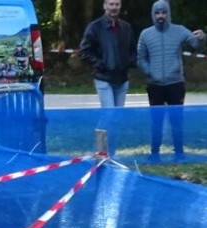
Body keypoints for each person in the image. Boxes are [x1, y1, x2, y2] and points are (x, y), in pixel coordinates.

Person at [137, 0, 206, 162]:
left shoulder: (179, 31)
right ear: (153, 15)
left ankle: (179, 154)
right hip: (155, 85)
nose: (160, 16)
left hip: (176, 83)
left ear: (168, 13)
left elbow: (196, 44)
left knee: (177, 120)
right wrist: (150, 72)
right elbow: (140, 59)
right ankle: (154, 154)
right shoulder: (145, 34)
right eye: (157, 13)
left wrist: (203, 38)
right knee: (156, 121)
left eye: (163, 12)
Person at [79, 0, 136, 108]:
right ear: (105, 5)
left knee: (118, 115)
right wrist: (101, 64)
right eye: (111, 4)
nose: (114, 7)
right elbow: (84, 51)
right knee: (109, 113)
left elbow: (133, 49)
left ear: (120, 6)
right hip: (103, 77)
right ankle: (100, 126)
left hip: (122, 79)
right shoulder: (95, 27)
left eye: (117, 4)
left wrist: (130, 62)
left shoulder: (126, 27)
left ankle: (105, 126)